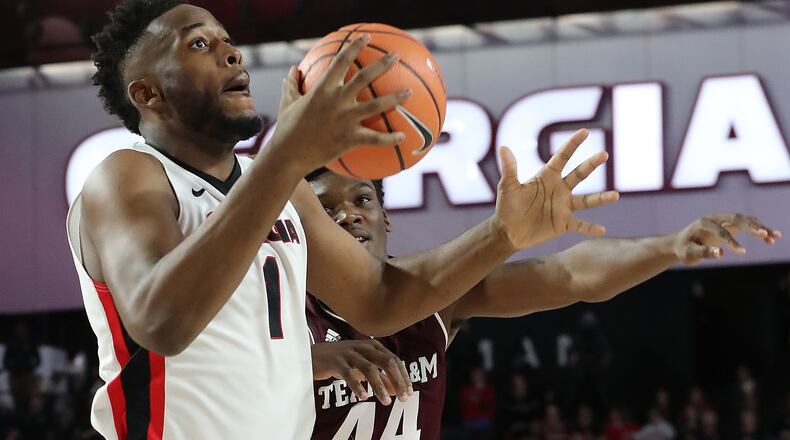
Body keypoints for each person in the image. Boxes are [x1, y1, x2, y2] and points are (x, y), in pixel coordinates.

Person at [67, 0, 617, 438]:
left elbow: (379, 301)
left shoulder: (278, 186)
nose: (231, 55)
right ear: (148, 94)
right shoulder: (126, 177)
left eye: (228, 41)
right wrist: (283, 158)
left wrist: (502, 236)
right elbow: (162, 322)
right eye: (200, 44)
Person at [304, 167, 780, 440]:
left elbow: (568, 274)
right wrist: (304, 361)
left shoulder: (431, 296)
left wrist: (668, 247)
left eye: (362, 198)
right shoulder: (281, 312)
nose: (347, 214)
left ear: (385, 217)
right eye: (325, 209)